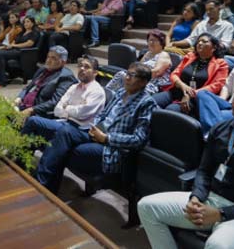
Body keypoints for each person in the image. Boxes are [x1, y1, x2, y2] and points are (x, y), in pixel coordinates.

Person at [138, 79, 234, 249]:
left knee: (218, 245)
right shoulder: (220, 129)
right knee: (146, 207)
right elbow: (204, 170)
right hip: (209, 200)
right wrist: (196, 197)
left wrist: (221, 214)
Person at [34, 62, 155, 194]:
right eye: (127, 73)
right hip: (96, 133)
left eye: (132, 75)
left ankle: (44, 186)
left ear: (143, 82)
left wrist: (106, 138)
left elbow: (139, 139)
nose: (126, 77)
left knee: (64, 149)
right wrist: (95, 126)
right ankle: (45, 187)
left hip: (111, 147)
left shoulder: (147, 103)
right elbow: (102, 114)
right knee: (64, 132)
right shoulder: (121, 92)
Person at [21, 55, 106, 145]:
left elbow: (81, 114)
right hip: (64, 122)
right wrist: (72, 109)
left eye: (86, 67)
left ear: (95, 73)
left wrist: (67, 107)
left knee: (33, 121)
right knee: (34, 127)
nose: (82, 68)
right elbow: (57, 109)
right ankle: (21, 155)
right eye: (80, 65)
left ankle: (17, 153)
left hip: (79, 129)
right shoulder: (74, 87)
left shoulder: (97, 91)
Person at [160, 35, 229, 118]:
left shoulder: (221, 64)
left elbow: (216, 86)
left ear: (214, 47)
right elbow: (174, 74)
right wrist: (182, 85)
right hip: (176, 91)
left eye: (204, 41)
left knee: (170, 110)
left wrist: (190, 94)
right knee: (150, 101)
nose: (200, 43)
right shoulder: (190, 56)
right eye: (199, 41)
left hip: (194, 99)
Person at [14, 46, 76, 119]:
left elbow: (54, 102)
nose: (48, 60)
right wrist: (19, 98)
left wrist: (32, 110)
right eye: (48, 57)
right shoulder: (42, 70)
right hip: (24, 106)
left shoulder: (65, 77)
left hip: (40, 113)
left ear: (63, 62)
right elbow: (28, 87)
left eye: (53, 58)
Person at [106, 30, 173, 94]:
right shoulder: (148, 54)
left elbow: (156, 72)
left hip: (153, 85)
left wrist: (136, 76)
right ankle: (108, 94)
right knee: (121, 75)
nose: (151, 43)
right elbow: (138, 67)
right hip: (140, 80)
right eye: (150, 40)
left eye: (154, 40)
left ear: (161, 42)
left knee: (125, 78)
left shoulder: (163, 55)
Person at [0, 15, 39, 88]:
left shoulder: (34, 33)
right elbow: (13, 42)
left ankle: (1, 81)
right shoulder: (22, 32)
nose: (25, 24)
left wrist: (14, 46)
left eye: (28, 22)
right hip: (13, 49)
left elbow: (29, 44)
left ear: (32, 23)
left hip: (22, 52)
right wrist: (3, 47)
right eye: (24, 22)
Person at [168, 0, 234, 54]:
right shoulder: (201, 24)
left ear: (219, 9)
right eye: (207, 10)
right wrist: (174, 43)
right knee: (167, 51)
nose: (208, 12)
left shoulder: (227, 26)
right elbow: (191, 40)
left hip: (214, 55)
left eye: (211, 9)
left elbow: (225, 45)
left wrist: (207, 47)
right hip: (195, 52)